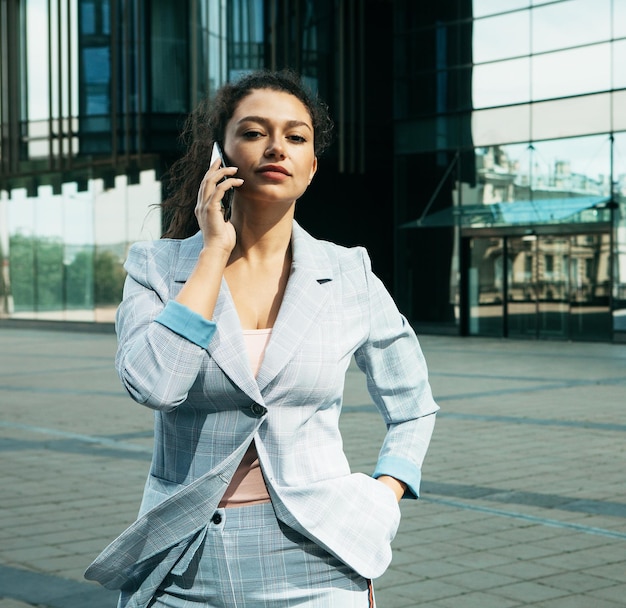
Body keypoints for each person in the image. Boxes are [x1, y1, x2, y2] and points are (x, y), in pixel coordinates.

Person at [85, 69, 438, 608]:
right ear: (217, 155)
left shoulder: (349, 274)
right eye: (253, 133)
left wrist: (384, 495)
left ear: (312, 165)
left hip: (321, 557)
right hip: (186, 561)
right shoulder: (156, 267)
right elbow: (156, 385)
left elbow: (412, 405)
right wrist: (210, 255)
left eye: (296, 137)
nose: (276, 147)